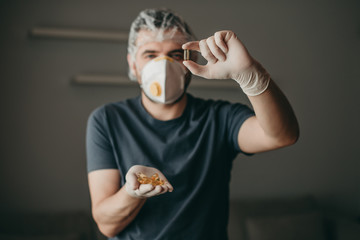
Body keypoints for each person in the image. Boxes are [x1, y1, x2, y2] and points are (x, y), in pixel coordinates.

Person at [86, 8, 299, 240]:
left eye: (176, 54)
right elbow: (107, 226)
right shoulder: (108, 120)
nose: (163, 65)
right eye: (150, 54)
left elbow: (282, 135)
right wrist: (131, 192)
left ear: (191, 61)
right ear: (133, 64)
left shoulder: (219, 117)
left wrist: (251, 75)